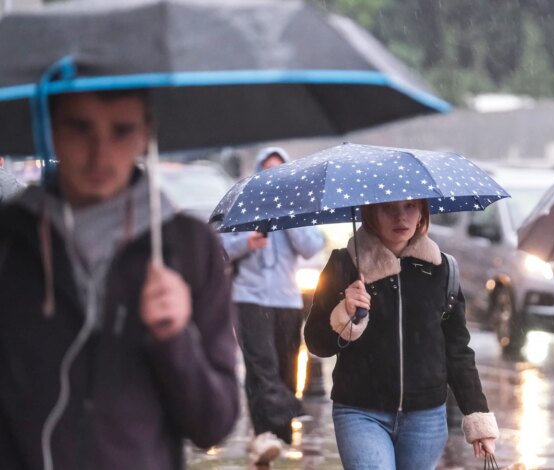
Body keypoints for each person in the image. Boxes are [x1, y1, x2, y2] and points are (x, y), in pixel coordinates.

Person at [0, 90, 239, 469]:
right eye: (80, 129)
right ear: (51, 129)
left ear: (147, 133)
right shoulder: (10, 243)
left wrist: (175, 340)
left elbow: (213, 425)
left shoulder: (188, 248)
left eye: (121, 131)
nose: (100, 153)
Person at [304, 199, 499, 470]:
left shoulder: (442, 269)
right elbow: (316, 342)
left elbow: (458, 351)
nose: (401, 217)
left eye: (409, 207)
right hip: (360, 411)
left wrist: (477, 416)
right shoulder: (343, 265)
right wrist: (344, 312)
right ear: (371, 213)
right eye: (388, 209)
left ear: (422, 212)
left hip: (426, 418)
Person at [221, 147, 325, 467]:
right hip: (248, 297)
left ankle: (275, 436)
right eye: (267, 170)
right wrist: (245, 242)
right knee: (260, 367)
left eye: (279, 171)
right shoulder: (243, 206)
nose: (273, 177)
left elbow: (311, 247)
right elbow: (221, 246)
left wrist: (287, 218)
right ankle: (265, 434)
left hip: (286, 299)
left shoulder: (297, 209)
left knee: (285, 369)